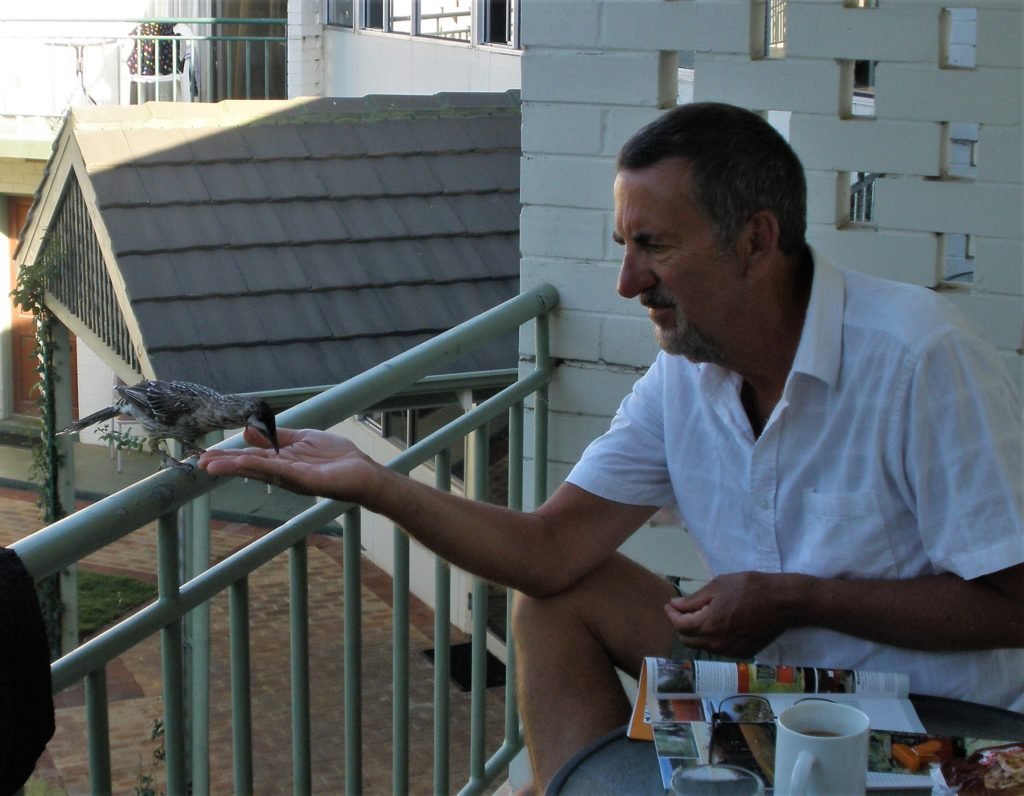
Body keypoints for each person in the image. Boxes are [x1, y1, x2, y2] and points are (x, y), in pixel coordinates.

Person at [199, 102, 1024, 792]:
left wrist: (798, 598)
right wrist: (375, 483)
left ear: (756, 240)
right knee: (556, 595)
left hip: (930, 728)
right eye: (624, 246)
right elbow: (551, 550)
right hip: (774, 694)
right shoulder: (684, 378)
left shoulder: (919, 357)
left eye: (654, 246)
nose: (629, 283)